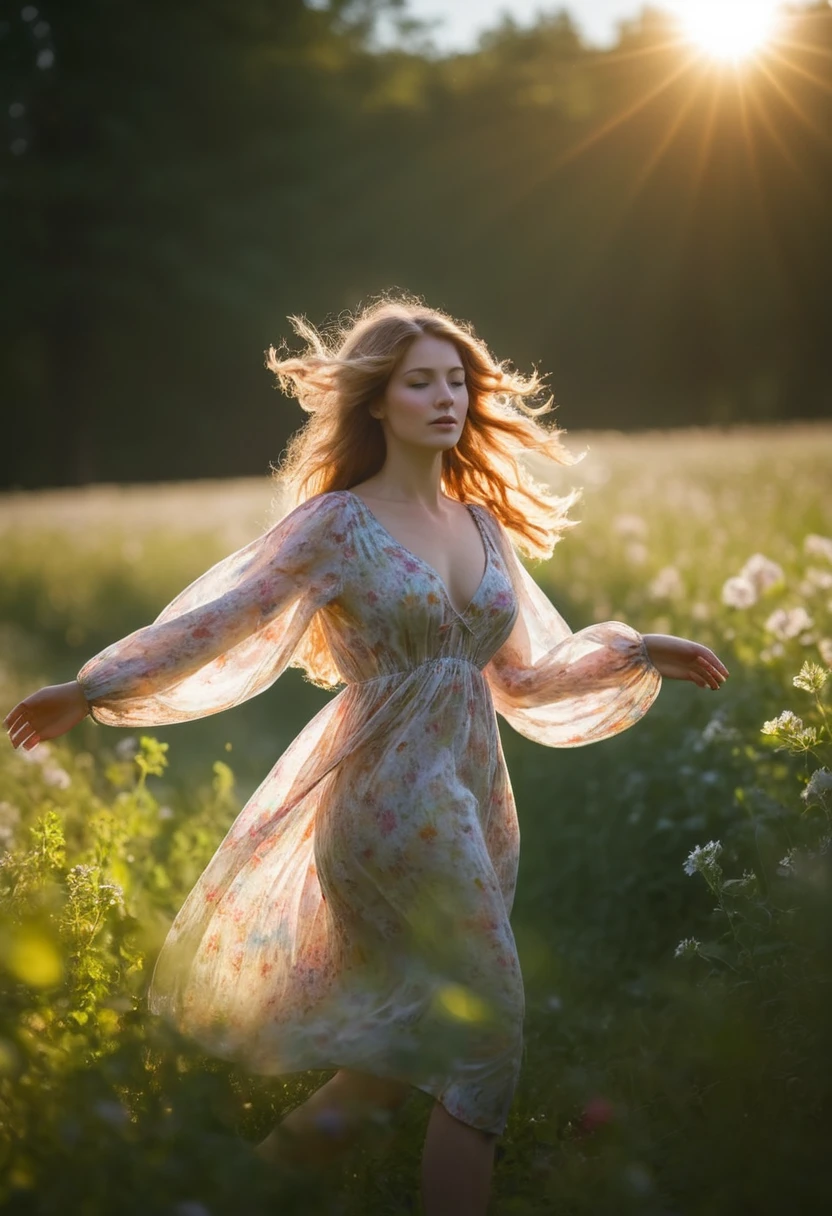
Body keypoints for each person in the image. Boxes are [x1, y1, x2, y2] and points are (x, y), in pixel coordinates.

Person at [3, 294, 729, 1216]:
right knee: (489, 1032)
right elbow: (224, 619)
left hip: (469, 794)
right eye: (418, 381)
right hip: (389, 801)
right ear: (376, 402)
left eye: (456, 381)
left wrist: (636, 651)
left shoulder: (481, 526)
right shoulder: (337, 524)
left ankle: (228, 1198)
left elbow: (523, 680)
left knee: (401, 1055)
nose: (444, 397)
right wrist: (95, 686)